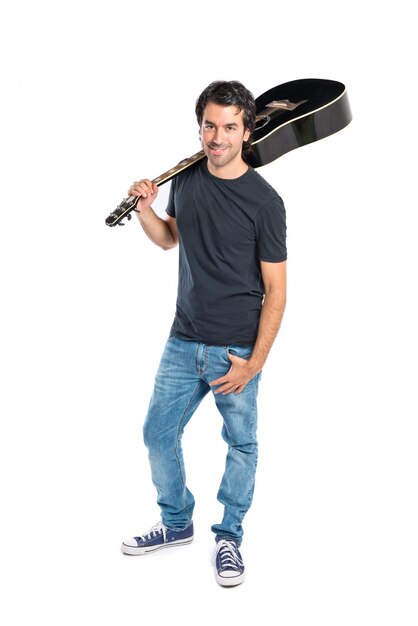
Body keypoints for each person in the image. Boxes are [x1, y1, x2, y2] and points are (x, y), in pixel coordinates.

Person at [121, 80, 287, 587]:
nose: (217, 137)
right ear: (201, 126)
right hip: (183, 338)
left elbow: (277, 291)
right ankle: (176, 523)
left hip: (236, 348)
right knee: (156, 434)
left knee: (241, 444)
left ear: (246, 130)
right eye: (209, 125)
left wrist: (254, 363)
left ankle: (229, 537)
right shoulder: (187, 180)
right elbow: (170, 240)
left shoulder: (265, 203)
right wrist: (145, 209)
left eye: (229, 127)